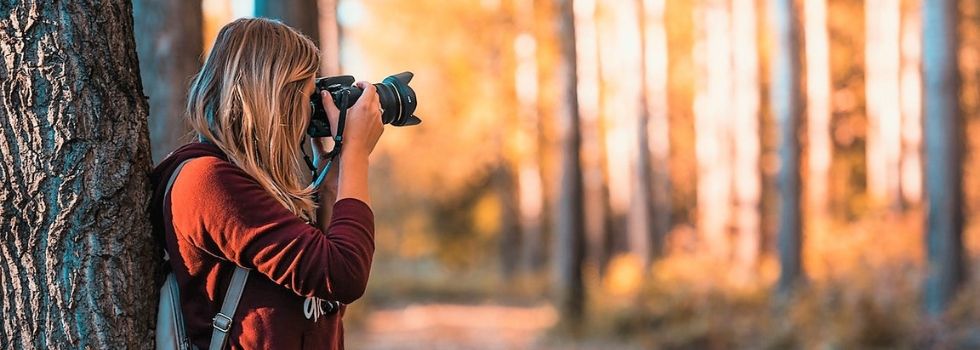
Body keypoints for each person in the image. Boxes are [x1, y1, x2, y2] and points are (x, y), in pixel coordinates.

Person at [149, 17, 383, 349]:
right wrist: (356, 154)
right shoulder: (208, 182)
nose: (309, 110)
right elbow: (343, 274)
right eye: (307, 94)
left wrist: (329, 178)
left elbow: (323, 298)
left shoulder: (253, 185)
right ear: (275, 98)